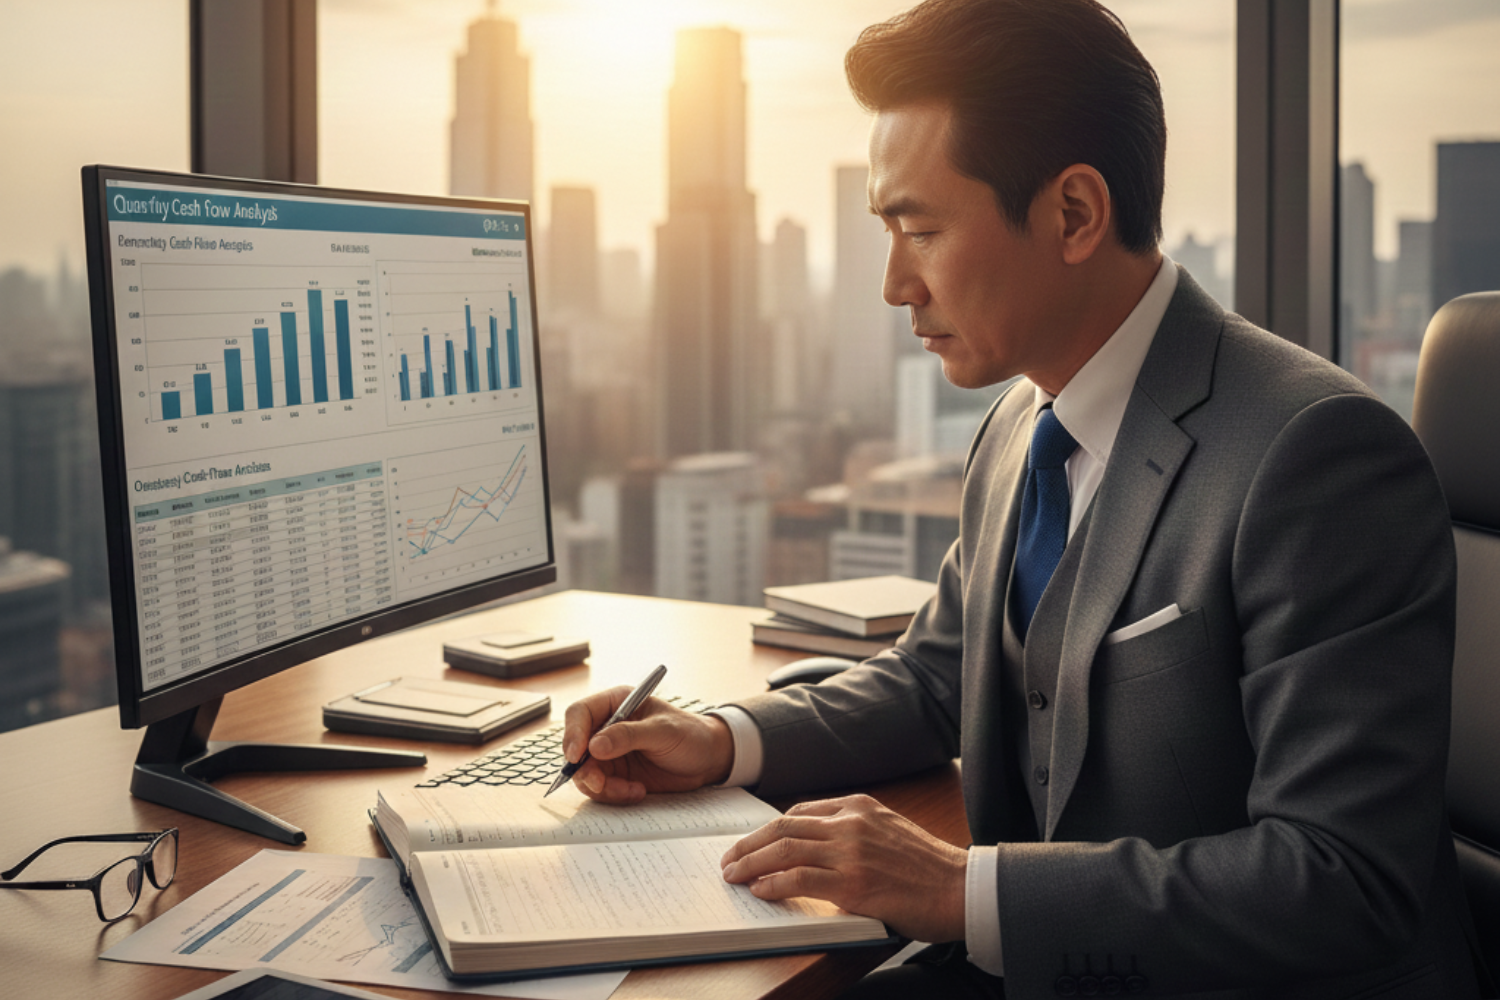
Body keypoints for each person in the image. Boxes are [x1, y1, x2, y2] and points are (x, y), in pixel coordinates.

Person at [562, 1, 1482, 996]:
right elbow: (939, 676)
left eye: (921, 229)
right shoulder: (1020, 423)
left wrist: (958, 889)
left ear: (1074, 214)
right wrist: (722, 739)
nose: (895, 284)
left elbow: (1344, 880)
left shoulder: (1317, 456)